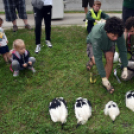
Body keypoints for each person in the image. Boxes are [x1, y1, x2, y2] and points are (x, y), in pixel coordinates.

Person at [86, 17, 128, 94]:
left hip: (108, 43)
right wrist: (102, 75)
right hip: (93, 42)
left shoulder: (118, 33)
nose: (116, 38)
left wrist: (125, 67)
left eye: (117, 36)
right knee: (95, 60)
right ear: (106, 31)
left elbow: (123, 49)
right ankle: (92, 61)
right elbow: (98, 57)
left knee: (110, 59)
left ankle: (106, 82)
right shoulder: (97, 34)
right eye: (113, 36)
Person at [121, 17, 134, 81]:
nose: (130, 33)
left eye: (132, 31)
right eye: (129, 31)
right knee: (124, 77)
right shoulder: (130, 36)